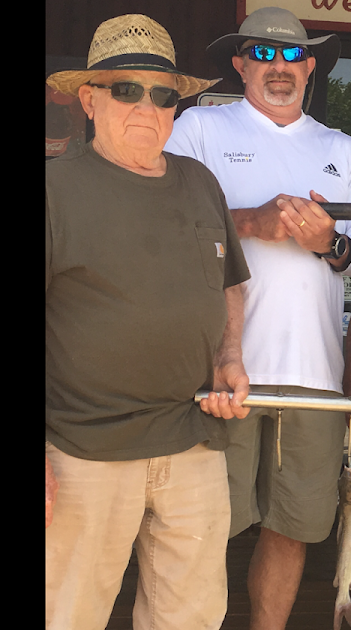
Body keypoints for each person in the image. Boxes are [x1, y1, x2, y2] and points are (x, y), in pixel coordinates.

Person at [163, 7, 351, 628]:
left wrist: (328, 243)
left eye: (292, 55)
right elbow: (165, 225)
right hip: (215, 371)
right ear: (240, 63)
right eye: (262, 53)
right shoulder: (199, 128)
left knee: (292, 528)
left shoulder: (344, 150)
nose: (278, 66)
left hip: (315, 372)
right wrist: (249, 222)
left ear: (310, 67)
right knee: (203, 526)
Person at [45, 14, 251, 629]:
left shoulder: (199, 181)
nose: (147, 107)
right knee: (69, 615)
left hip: (192, 440)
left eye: (162, 95)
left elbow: (229, 282)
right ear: (89, 100)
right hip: (82, 449)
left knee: (192, 618)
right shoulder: (54, 189)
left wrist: (229, 358)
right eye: (126, 89)